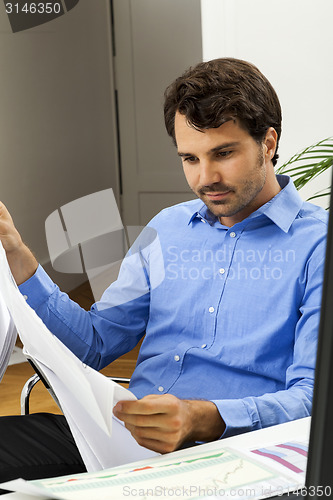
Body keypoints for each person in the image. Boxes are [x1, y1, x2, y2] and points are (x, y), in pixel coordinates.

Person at [0, 58, 327, 484]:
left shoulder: (318, 245)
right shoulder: (168, 228)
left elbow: (313, 401)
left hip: (234, 459)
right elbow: (93, 344)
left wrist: (204, 418)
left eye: (223, 154)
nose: (205, 177)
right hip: (122, 440)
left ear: (267, 143)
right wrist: (16, 252)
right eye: (189, 158)